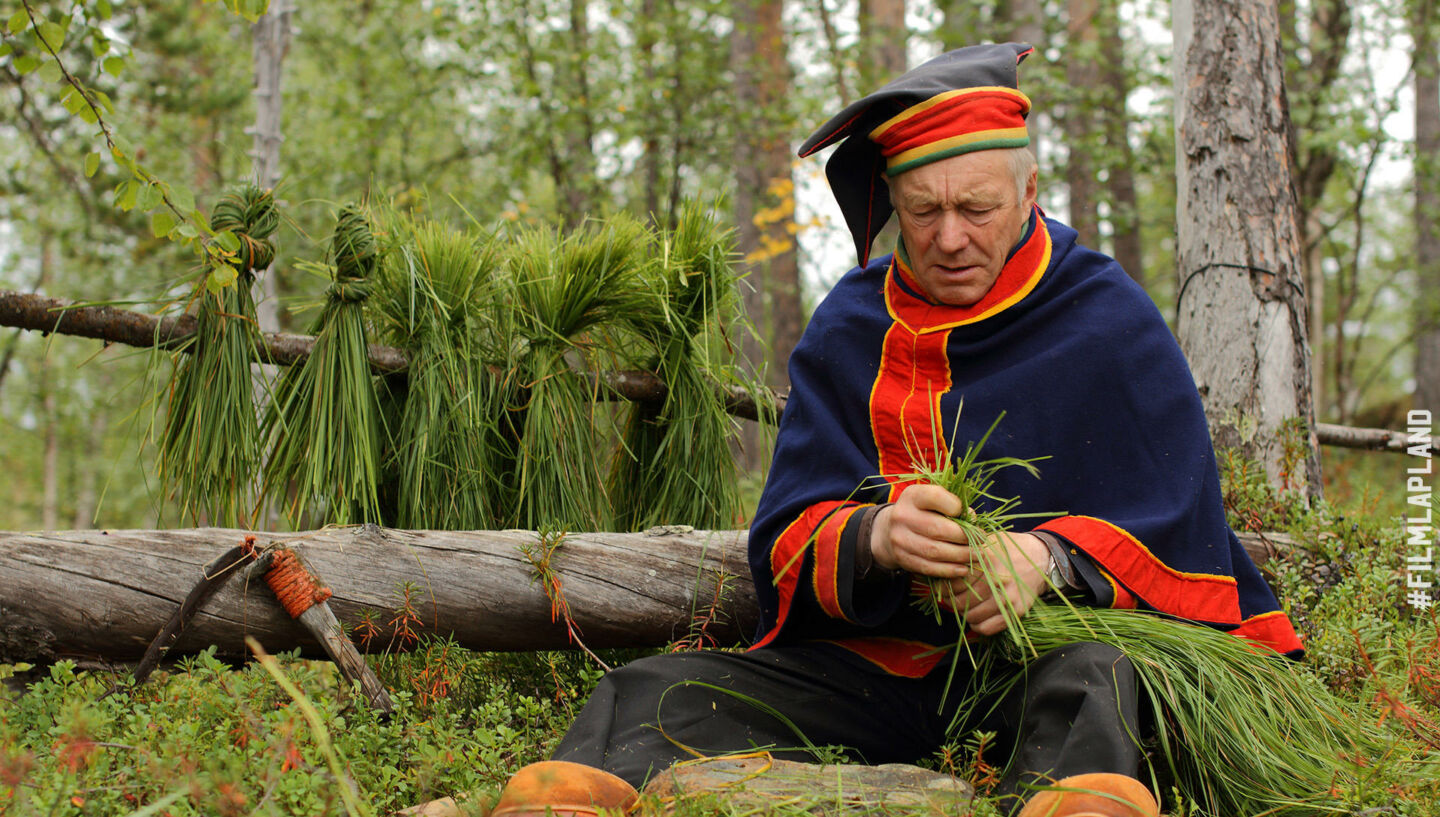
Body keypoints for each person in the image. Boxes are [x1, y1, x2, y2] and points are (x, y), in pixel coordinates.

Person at [490, 42, 1303, 817]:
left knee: (1100, 679)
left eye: (977, 208)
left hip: (1047, 660)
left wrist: (1049, 560)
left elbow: (1178, 516)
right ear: (895, 206)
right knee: (649, 692)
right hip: (879, 668)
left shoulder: (1108, 318)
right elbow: (785, 536)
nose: (951, 237)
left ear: (1027, 194)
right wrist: (878, 536)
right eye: (925, 210)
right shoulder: (849, 325)